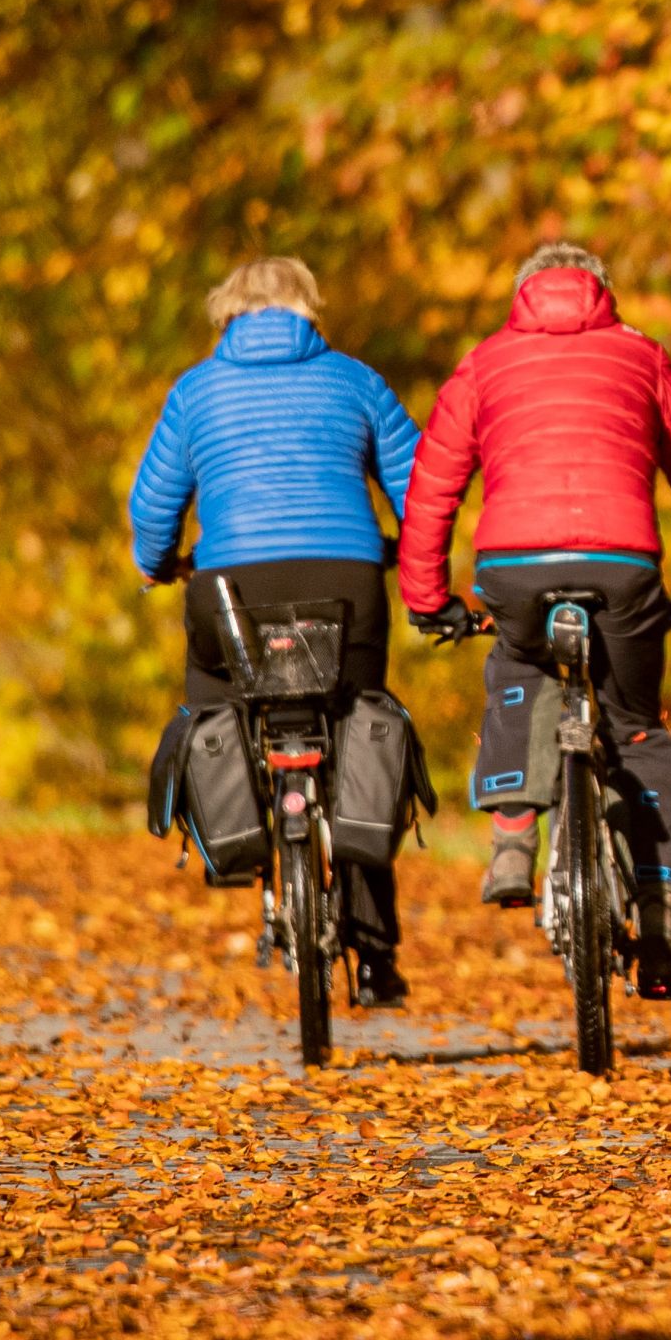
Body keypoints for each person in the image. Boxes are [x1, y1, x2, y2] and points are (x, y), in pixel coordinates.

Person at [396, 239, 671, 1001]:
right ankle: (656, 910)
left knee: (517, 668)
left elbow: (433, 488)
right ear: (604, 293)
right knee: (635, 728)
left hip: (514, 566)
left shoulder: (485, 364)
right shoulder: (645, 358)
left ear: (519, 298)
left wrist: (427, 599)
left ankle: (514, 835)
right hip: (624, 564)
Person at [129, 256, 425, 1005]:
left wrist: (158, 563)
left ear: (227, 315)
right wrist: (411, 556)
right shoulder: (356, 381)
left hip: (230, 589)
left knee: (213, 699)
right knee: (360, 732)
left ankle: (237, 836)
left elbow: (152, 503)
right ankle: (376, 947)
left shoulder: (196, 391)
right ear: (309, 312)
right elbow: (419, 487)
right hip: (346, 582)